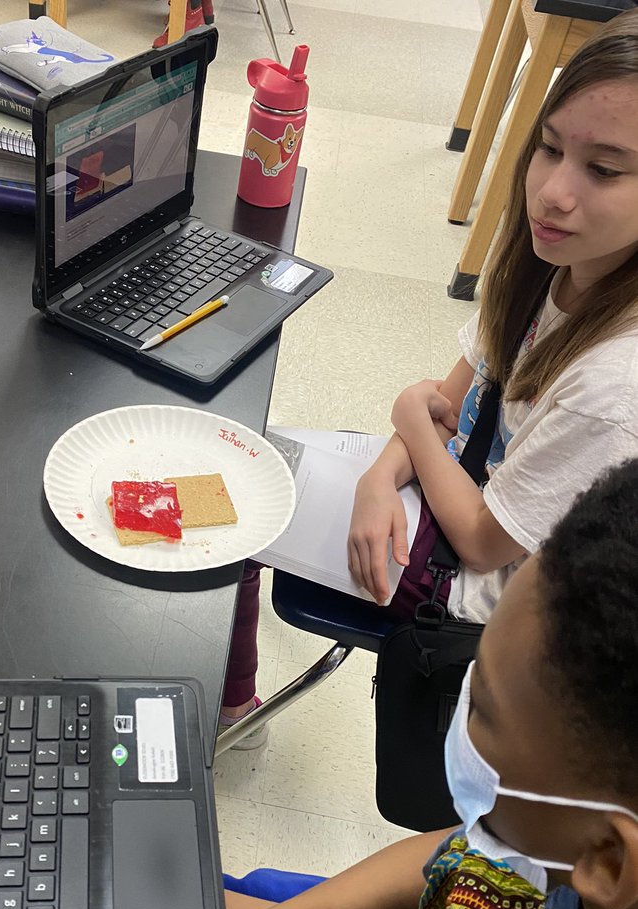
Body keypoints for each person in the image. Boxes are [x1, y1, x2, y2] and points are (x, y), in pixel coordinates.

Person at [221, 457, 638, 909]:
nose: (463, 715)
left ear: (606, 861)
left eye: (483, 711)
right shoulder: (570, 844)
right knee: (237, 899)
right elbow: (455, 857)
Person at [220, 10, 638, 746]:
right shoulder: (555, 262)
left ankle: (231, 711)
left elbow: (481, 540)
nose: (553, 192)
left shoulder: (614, 386)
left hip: (477, 592)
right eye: (549, 148)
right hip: (451, 492)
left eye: (603, 170)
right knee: (246, 456)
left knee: (234, 501)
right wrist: (382, 475)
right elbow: (450, 401)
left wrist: (410, 426)